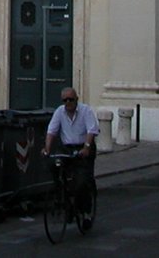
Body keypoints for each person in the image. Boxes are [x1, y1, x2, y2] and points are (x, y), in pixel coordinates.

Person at [42, 87, 99, 223]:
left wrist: (86, 148)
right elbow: (51, 131)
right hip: (66, 148)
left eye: (71, 99)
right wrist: (47, 148)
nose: (68, 102)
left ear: (76, 99)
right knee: (55, 167)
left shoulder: (86, 111)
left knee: (82, 182)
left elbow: (92, 130)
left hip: (83, 147)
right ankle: (63, 200)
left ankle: (85, 212)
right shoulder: (59, 112)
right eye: (65, 100)